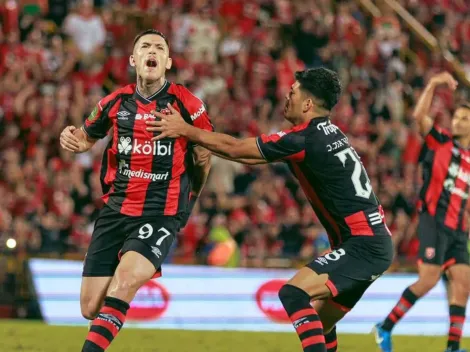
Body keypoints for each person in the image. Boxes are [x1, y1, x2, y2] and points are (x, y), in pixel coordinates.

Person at [146, 67, 394, 352]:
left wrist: (185, 130)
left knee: (293, 293)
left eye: (292, 93)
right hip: (373, 242)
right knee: (322, 326)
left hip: (363, 245)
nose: (286, 97)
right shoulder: (331, 132)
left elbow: (238, 149)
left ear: (308, 104)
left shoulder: (304, 138)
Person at [59, 29, 213, 352]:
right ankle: (107, 322)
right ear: (134, 60)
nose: (152, 51)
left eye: (159, 47)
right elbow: (86, 136)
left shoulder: (188, 104)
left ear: (168, 61)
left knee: (125, 280)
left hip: (161, 212)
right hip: (116, 211)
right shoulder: (115, 102)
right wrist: (72, 139)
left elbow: (203, 155)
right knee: (90, 307)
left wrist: (191, 197)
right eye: (145, 46)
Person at [373, 72, 470, 352]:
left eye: (465, 119)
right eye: (457, 117)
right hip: (433, 221)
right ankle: (385, 327)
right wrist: (433, 83)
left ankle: (453, 346)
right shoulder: (441, 140)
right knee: (428, 280)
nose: (458, 121)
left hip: (457, 229)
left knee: (462, 285)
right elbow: (419, 117)